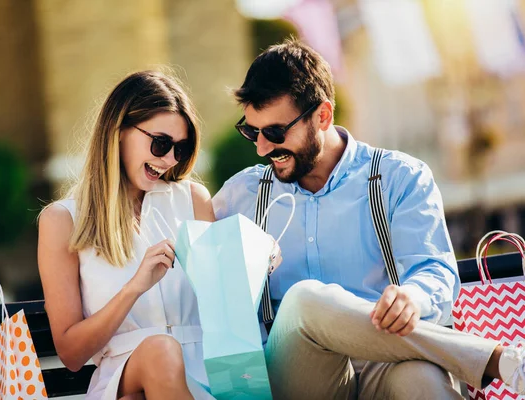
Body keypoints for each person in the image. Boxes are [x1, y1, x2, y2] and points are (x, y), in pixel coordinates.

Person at [213, 39, 525, 399]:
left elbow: (434, 272)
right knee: (304, 300)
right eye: (252, 131)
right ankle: (499, 361)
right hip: (297, 377)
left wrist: (413, 296)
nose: (261, 147)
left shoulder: (400, 177)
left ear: (323, 116)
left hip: (388, 361)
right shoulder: (241, 196)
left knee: (422, 380)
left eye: (275, 133)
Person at [38, 71, 218, 400]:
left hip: (206, 372)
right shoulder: (63, 220)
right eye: (160, 143)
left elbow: (222, 304)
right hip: (123, 374)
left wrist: (254, 259)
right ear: (119, 130)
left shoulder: (193, 200)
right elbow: (71, 354)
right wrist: (134, 287)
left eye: (180, 148)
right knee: (161, 352)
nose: (168, 159)